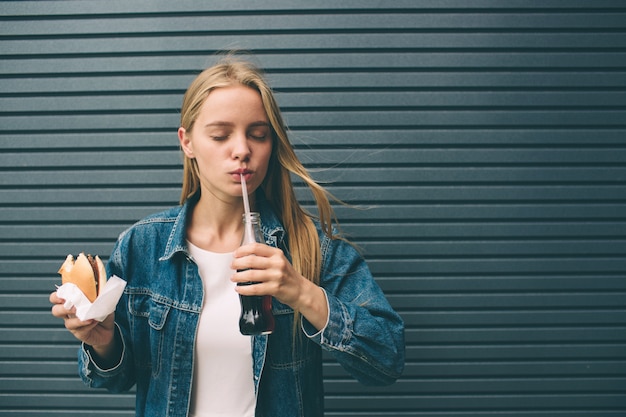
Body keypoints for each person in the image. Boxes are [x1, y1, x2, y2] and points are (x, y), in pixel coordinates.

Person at [50, 56, 405, 417]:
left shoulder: (312, 248)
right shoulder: (142, 247)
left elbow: (387, 359)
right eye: (220, 135)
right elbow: (115, 379)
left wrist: (300, 291)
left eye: (258, 134)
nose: (242, 150)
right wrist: (104, 342)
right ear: (187, 143)